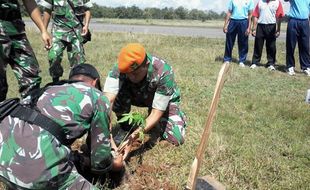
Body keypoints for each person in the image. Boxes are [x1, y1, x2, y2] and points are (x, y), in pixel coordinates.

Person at [0, 64, 124, 189]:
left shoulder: (48, 89)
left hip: (3, 164)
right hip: (36, 171)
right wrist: (115, 165)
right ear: (95, 82)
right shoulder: (98, 97)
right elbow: (100, 161)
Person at [103, 43, 187, 158]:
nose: (131, 77)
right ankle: (125, 126)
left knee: (176, 138)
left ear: (146, 65)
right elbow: (107, 101)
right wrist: (106, 130)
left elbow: (156, 112)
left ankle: (177, 116)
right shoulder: (121, 67)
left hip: (161, 102)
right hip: (135, 96)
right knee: (117, 94)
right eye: (128, 74)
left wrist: (132, 138)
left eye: (135, 73)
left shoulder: (163, 71)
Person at [0, 0, 52, 102]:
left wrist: (43, 30)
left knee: (31, 75)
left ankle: (31, 111)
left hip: (16, 29)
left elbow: (29, 2)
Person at [40, 0, 92, 82]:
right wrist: (44, 31)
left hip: (76, 33)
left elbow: (87, 10)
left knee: (78, 61)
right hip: (59, 32)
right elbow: (47, 11)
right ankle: (55, 81)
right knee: (53, 56)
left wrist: (86, 25)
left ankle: (76, 84)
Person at [250, 0, 284, 71]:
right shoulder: (260, 2)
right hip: (260, 25)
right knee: (258, 44)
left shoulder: (277, 2)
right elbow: (255, 15)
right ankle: (255, 62)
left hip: (272, 25)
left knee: (271, 46)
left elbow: (279, 17)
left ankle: (271, 63)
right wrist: (254, 28)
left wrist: (278, 29)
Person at [223, 0, 254, 67]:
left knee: (243, 42)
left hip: (244, 21)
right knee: (229, 41)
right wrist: (225, 25)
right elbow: (229, 12)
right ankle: (227, 59)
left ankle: (242, 61)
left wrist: (249, 28)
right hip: (233, 21)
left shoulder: (250, 1)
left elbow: (250, 15)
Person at [284, 0, 310, 76]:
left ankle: (306, 67)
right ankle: (290, 66)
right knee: (291, 45)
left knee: (305, 46)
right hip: (293, 21)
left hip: (305, 22)